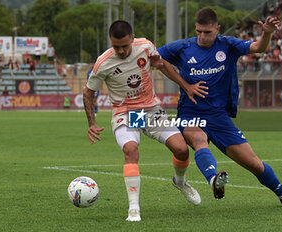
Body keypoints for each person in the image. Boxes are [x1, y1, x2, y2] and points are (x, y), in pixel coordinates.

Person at [158, 8, 282, 208]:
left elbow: (259, 47)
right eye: (198, 31)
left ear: (217, 29)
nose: (202, 36)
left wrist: (266, 32)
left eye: (207, 32)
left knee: (254, 164)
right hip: (190, 112)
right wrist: (185, 85)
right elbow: (157, 59)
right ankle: (214, 180)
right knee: (199, 140)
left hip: (218, 116)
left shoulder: (228, 45)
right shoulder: (183, 47)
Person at [83, 20, 207, 222]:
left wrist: (186, 86)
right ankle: (134, 209)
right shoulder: (103, 62)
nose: (121, 51)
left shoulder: (146, 46)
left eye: (125, 45)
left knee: (182, 150)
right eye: (116, 46)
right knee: (131, 150)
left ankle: (181, 182)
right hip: (126, 112)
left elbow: (163, 66)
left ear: (132, 39)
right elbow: (88, 92)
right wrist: (92, 123)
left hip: (151, 110)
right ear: (110, 42)